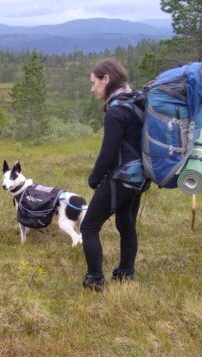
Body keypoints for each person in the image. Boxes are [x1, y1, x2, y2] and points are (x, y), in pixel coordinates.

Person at [81, 59, 147, 291]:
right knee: (126, 226)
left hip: (122, 178)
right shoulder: (136, 99)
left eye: (94, 83)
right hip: (141, 178)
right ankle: (125, 273)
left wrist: (94, 179)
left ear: (106, 79)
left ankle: (95, 280)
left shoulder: (117, 111)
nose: (92, 89)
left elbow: (108, 152)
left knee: (88, 227)